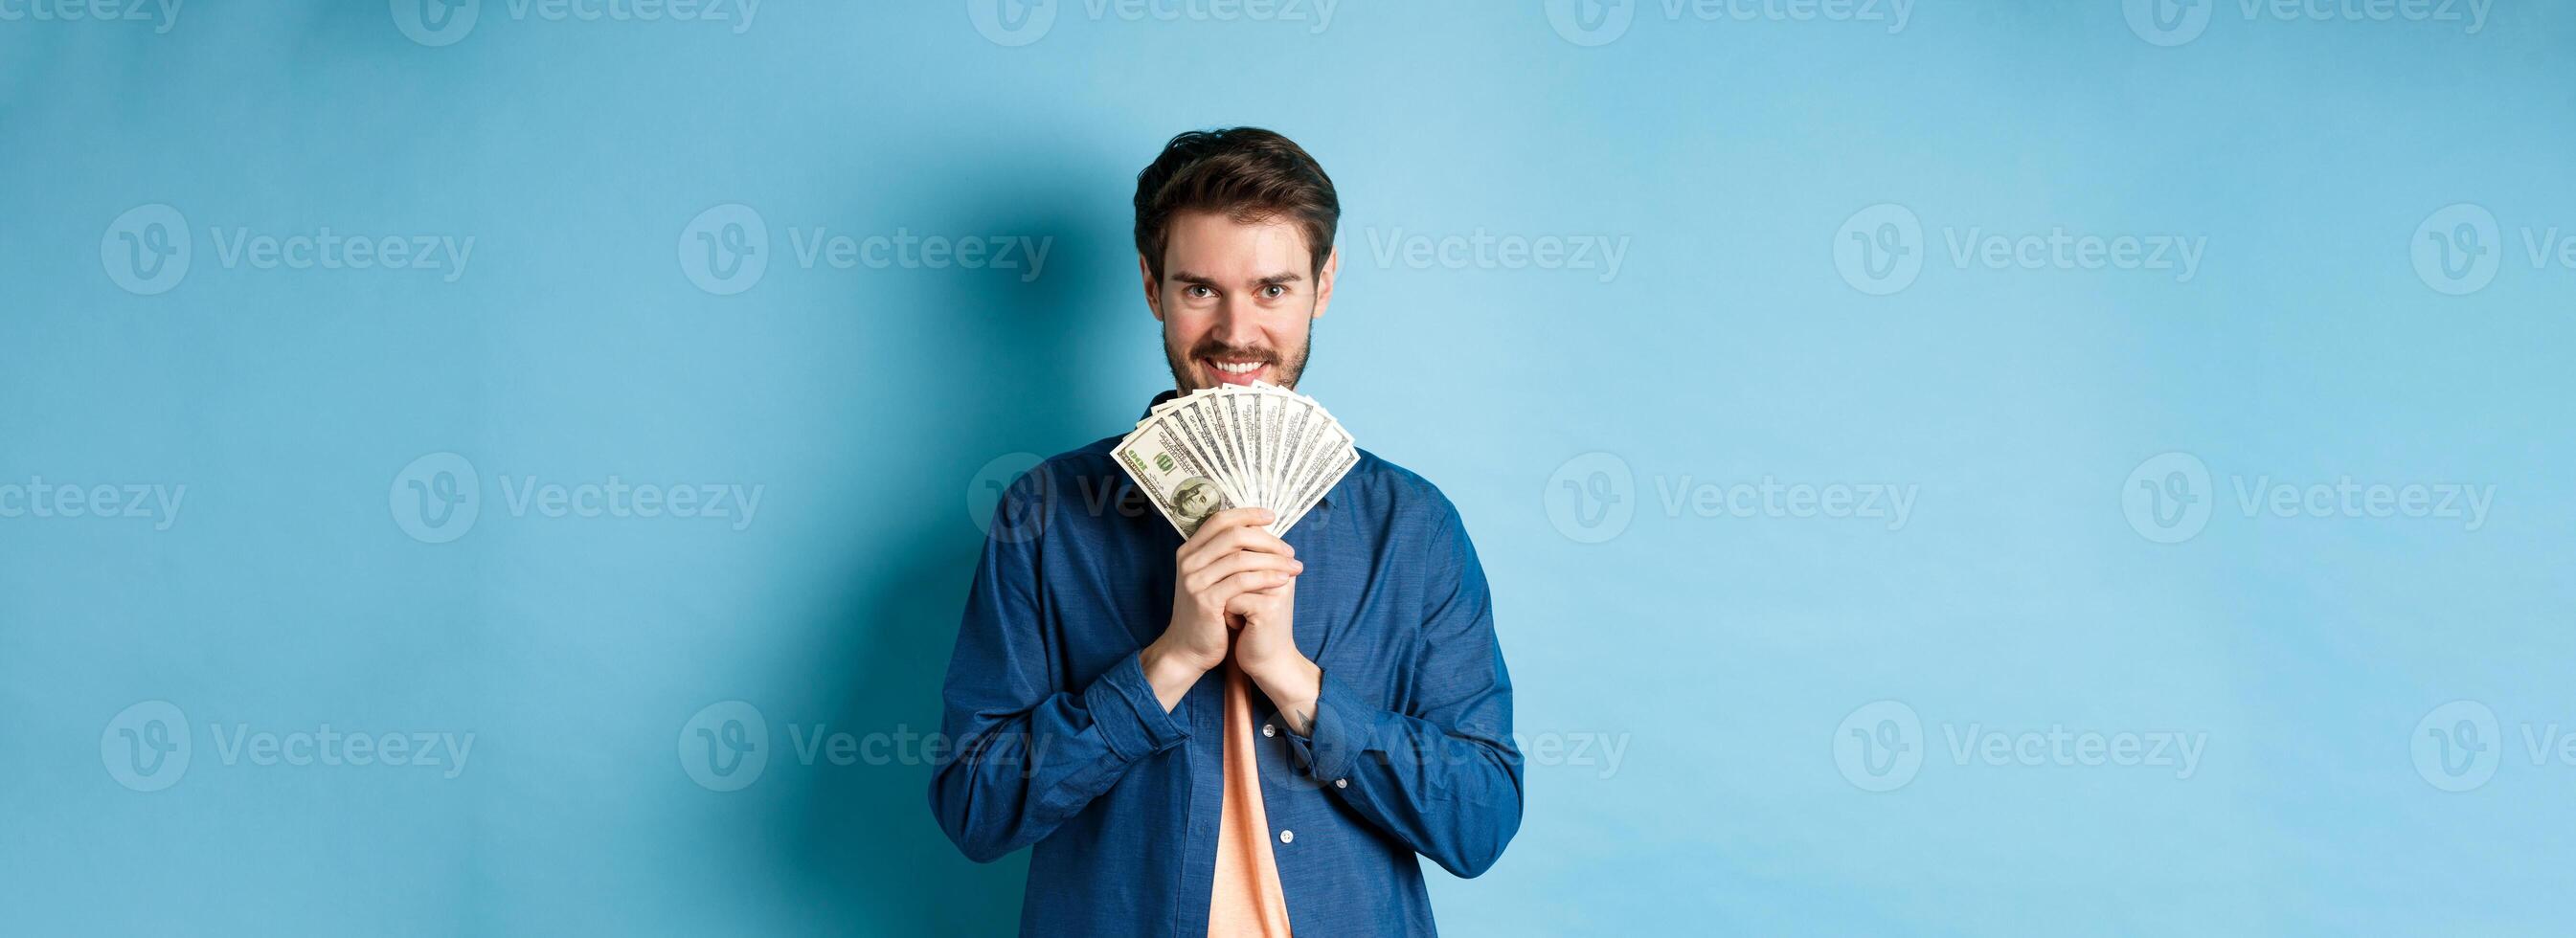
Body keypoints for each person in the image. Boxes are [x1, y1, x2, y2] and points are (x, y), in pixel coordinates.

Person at [930, 126, 1522, 936]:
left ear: (1324, 283)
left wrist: (1294, 681)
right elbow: (975, 806)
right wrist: (1167, 663)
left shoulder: (1412, 528)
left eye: (1273, 289)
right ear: (1151, 286)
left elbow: (1482, 820)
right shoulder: (1047, 514)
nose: (1237, 332)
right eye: (1200, 289)